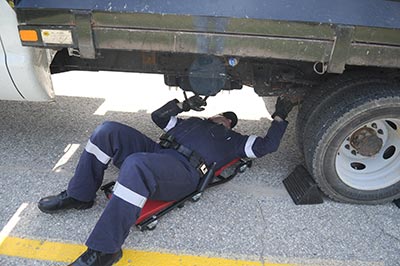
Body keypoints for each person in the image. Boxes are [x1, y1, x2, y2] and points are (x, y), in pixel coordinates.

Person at [38, 95, 295, 266]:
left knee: (136, 165)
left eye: (228, 119)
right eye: (221, 115)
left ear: (230, 125)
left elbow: (269, 145)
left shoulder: (236, 141)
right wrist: (185, 104)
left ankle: (106, 250)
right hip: (159, 153)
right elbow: (158, 117)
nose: (222, 119)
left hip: (184, 173)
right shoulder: (193, 123)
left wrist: (280, 115)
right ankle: (80, 195)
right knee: (107, 130)